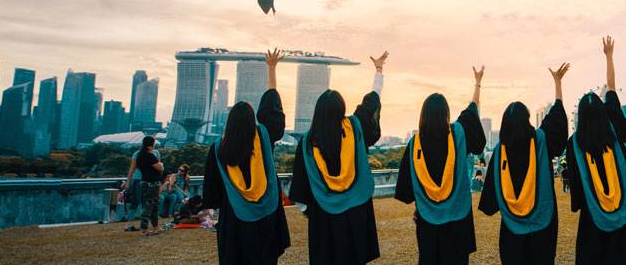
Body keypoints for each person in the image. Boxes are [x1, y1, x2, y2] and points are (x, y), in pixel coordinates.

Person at [289, 51, 386, 265]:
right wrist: (378, 71)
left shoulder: (307, 142)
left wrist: (308, 210)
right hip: (356, 210)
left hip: (323, 213)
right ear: (342, 109)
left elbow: (300, 184)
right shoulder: (354, 127)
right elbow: (372, 101)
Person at [566, 37, 626, 265]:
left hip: (592, 217)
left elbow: (574, 180)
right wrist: (609, 56)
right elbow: (612, 87)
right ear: (605, 112)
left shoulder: (574, 143)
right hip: (624, 212)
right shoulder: (614, 129)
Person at [203, 49, 290, 264]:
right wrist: (272, 68)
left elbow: (212, 194)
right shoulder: (263, 138)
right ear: (254, 121)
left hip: (234, 218)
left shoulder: (217, 150)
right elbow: (272, 109)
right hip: (265, 216)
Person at [394, 65, 488, 264]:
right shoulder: (458, 133)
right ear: (446, 114)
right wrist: (478, 83)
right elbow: (472, 110)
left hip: (428, 221)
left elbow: (405, 190)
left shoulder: (414, 145)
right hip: (458, 220)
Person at [478, 62, 570, 265]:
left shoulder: (500, 150)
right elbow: (557, 121)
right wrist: (558, 84)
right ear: (528, 119)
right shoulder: (540, 140)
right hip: (543, 225)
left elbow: (490, 199)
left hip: (512, 228)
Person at [123, 137, 161, 227]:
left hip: (151, 180)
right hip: (139, 179)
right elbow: (132, 169)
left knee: (148, 203)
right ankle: (129, 224)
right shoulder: (137, 154)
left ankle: (147, 224)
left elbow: (158, 167)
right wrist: (128, 182)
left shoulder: (156, 153)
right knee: (136, 201)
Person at [134, 135, 163, 236]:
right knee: (150, 206)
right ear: (151, 145)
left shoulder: (139, 155)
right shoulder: (150, 155)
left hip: (145, 182)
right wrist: (161, 163)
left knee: (152, 206)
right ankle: (144, 229)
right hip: (152, 184)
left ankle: (155, 228)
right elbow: (160, 168)